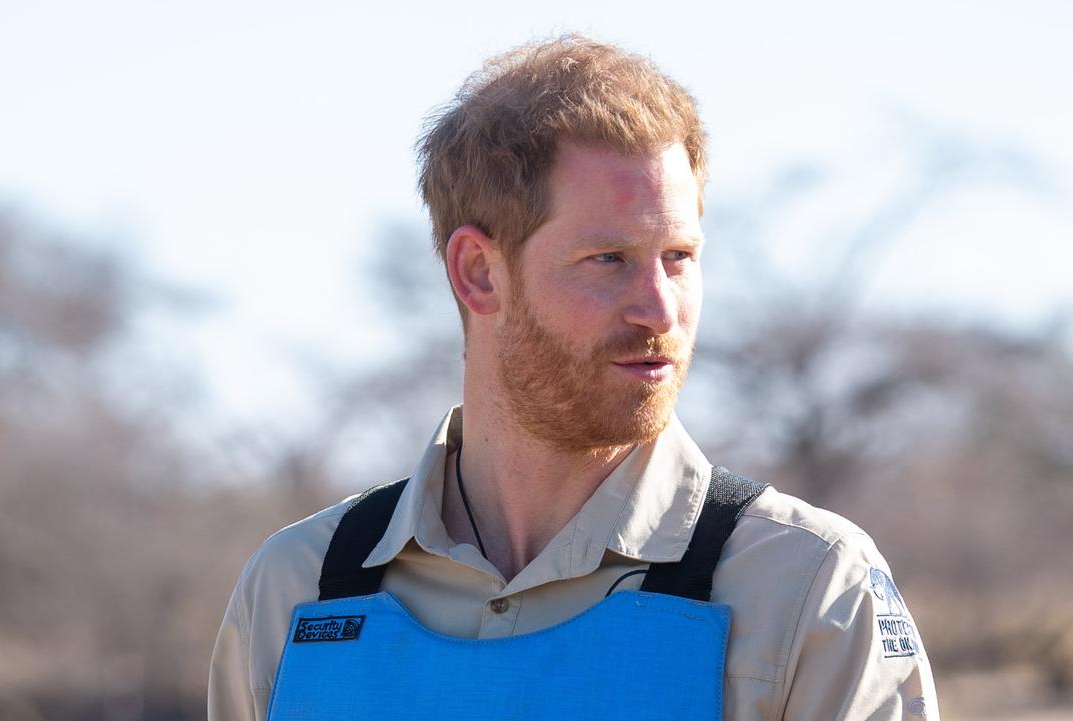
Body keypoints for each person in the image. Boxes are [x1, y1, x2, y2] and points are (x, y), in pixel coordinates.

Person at [209, 35, 938, 721]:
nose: (660, 309)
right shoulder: (296, 590)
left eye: (679, 256)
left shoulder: (810, 589)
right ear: (478, 273)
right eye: (608, 259)